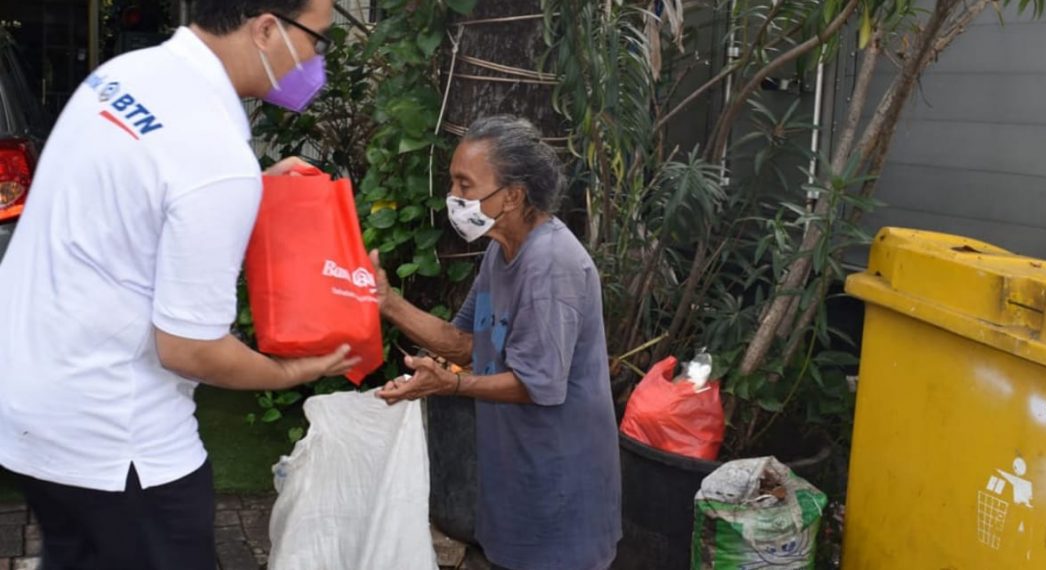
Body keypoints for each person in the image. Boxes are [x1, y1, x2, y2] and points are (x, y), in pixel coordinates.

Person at [0, 1, 359, 568]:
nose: (318, 60)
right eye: (319, 39)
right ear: (266, 29)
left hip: (30, 402)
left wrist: (250, 188)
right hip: (118, 441)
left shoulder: (122, 77)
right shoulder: (212, 152)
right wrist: (296, 371)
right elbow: (190, 349)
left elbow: (134, 199)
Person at [374, 115, 622, 570]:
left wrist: (450, 387)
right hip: (516, 475)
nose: (454, 198)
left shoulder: (550, 264)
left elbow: (539, 384)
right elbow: (465, 341)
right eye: (453, 182)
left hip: (559, 486)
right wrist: (385, 301)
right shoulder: (501, 249)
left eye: (464, 185)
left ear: (512, 195)